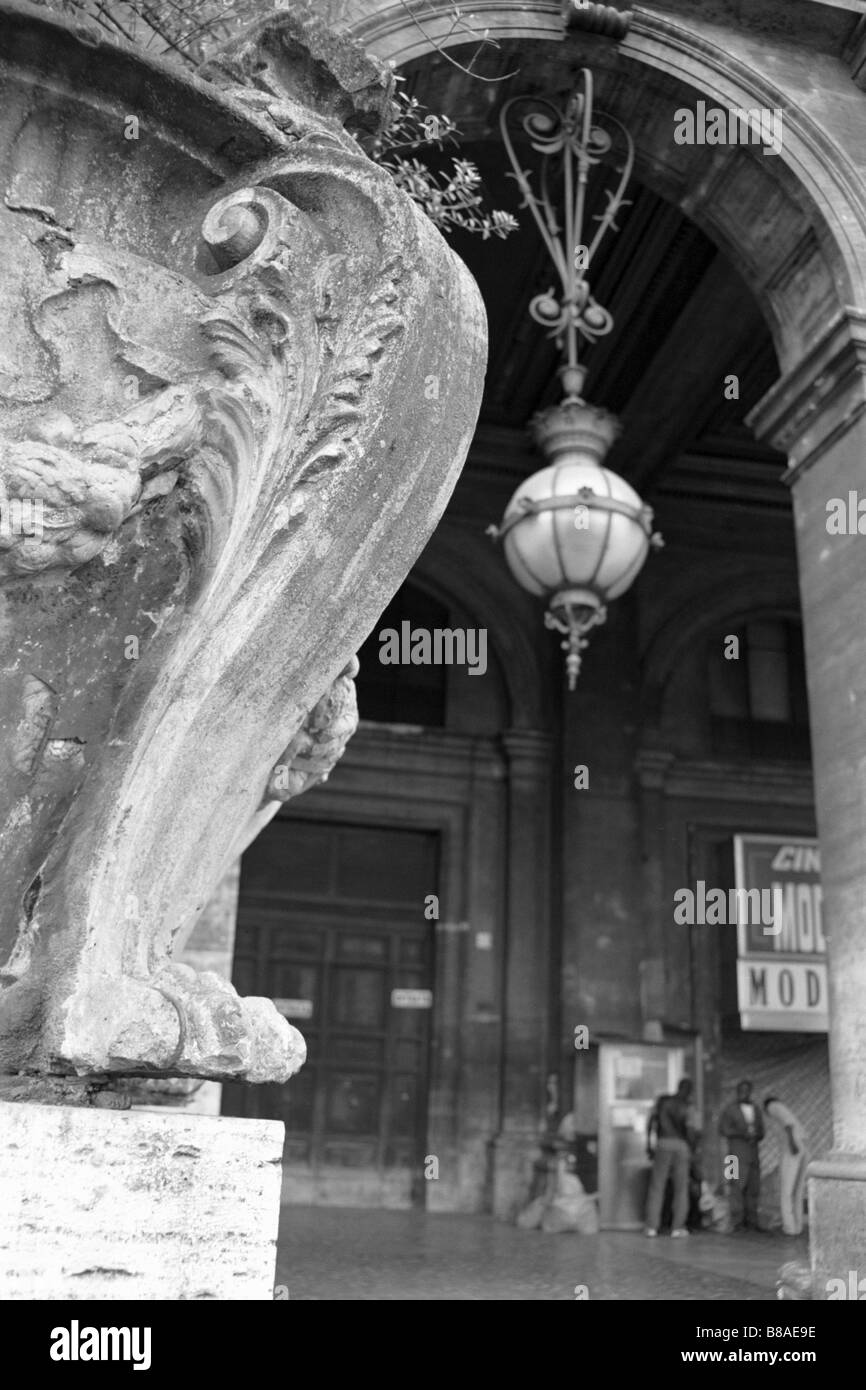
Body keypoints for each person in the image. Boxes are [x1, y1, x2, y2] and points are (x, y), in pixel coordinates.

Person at [644, 1078, 700, 1238]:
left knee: (657, 1186)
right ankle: (677, 1228)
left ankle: (651, 1227)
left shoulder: (662, 1101)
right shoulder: (688, 1107)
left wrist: (649, 1143)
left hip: (662, 1143)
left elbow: (650, 1122)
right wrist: (693, 1149)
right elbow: (690, 1130)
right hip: (682, 1146)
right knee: (681, 1188)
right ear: (689, 1090)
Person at [719, 1079, 765, 1231]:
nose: (743, 1093)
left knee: (753, 1187)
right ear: (737, 1091)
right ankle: (737, 1222)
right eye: (741, 1090)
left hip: (753, 1153)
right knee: (735, 1187)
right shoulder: (729, 1109)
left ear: (750, 1091)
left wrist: (755, 1135)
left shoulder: (756, 1109)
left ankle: (752, 1221)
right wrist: (743, 1134)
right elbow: (724, 1130)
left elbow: (762, 1131)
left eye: (746, 1090)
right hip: (734, 1154)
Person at [764, 1095, 808, 1235]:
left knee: (786, 1191)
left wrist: (791, 1143)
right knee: (797, 1191)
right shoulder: (785, 1109)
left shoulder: (773, 1107)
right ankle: (797, 1227)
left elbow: (787, 1123)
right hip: (802, 1147)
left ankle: (789, 1228)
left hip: (792, 1147)